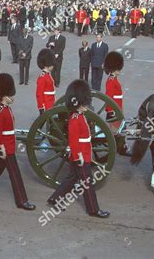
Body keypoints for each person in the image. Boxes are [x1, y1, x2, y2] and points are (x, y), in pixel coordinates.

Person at [47, 79, 109, 218]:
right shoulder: (75, 119)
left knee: (71, 178)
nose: (86, 106)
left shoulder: (79, 116)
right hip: (80, 155)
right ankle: (93, 209)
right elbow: (73, 141)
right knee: (87, 182)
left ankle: (55, 198)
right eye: (84, 104)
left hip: (83, 152)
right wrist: (79, 156)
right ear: (78, 104)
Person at [0, 73, 36, 211]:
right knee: (15, 173)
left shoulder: (6, 109)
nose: (13, 97)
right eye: (11, 95)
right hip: (6, 147)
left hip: (9, 144)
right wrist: (1, 148)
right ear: (5, 96)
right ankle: (21, 200)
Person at [104, 51, 131, 157]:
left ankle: (122, 147)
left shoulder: (114, 78)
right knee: (118, 131)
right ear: (114, 69)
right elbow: (109, 98)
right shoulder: (111, 81)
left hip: (117, 109)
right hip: (114, 112)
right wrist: (111, 111)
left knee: (121, 129)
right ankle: (120, 148)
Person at [36, 49, 56, 114]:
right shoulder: (43, 77)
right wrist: (41, 107)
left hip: (50, 102)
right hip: (47, 104)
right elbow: (39, 94)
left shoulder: (47, 74)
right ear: (48, 64)